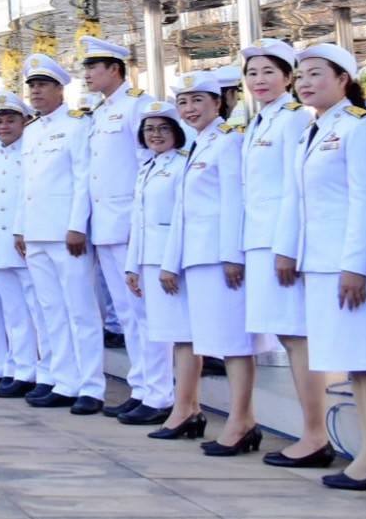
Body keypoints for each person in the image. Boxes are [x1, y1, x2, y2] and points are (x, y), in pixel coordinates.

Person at [276, 43, 366, 490]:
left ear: (343, 79)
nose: (305, 83)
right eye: (301, 76)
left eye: (316, 74)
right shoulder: (314, 128)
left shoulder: (358, 126)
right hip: (321, 261)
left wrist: (356, 265)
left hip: (350, 264)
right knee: (354, 360)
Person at [161, 70, 273, 455]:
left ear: (217, 103)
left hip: (218, 258)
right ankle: (231, 419)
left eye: (198, 100)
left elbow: (233, 201)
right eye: (183, 102)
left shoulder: (227, 141)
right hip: (197, 257)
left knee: (233, 342)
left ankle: (242, 421)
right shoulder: (198, 143)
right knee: (214, 339)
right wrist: (172, 261)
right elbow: (184, 209)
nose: (189, 109)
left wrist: (231, 255)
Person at [236, 39, 330, 467]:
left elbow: (296, 188)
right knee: (288, 335)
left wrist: (287, 248)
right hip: (260, 241)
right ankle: (310, 432)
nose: (259, 80)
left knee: (296, 335)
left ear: (288, 77)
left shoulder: (293, 119)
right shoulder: (260, 120)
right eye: (252, 73)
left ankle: (315, 434)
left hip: (279, 243)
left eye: (268, 72)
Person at [77, 38, 168, 421]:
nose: (87, 74)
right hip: (106, 226)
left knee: (145, 312)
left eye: (93, 67)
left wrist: (140, 223)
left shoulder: (139, 106)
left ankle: (160, 395)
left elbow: (149, 166)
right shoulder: (100, 112)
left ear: (115, 68)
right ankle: (141, 387)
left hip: (131, 225)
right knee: (128, 314)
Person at [15, 55, 104, 414]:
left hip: (66, 233)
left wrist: (77, 225)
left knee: (80, 310)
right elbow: (27, 184)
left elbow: (84, 178)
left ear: (59, 89)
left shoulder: (77, 124)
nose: (35, 92)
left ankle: (91, 386)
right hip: (37, 231)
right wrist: (21, 227)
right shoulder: (32, 130)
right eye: (32, 86)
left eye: (42, 85)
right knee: (51, 310)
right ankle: (64, 381)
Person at [125, 100, 193, 431]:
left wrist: (170, 264)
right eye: (149, 129)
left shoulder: (182, 165)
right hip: (146, 259)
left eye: (163, 128)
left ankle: (161, 398)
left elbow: (182, 217)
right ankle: (150, 393)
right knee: (148, 328)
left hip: (167, 261)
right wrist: (131, 266)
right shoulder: (148, 166)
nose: (156, 135)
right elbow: (137, 221)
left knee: (167, 333)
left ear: (177, 132)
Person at [0, 91, 44, 399]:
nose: (3, 126)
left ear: (24, 121)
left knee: (37, 313)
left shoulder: (31, 153)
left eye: (10, 120)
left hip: (24, 245)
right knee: (13, 314)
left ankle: (43, 372)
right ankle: (21, 369)